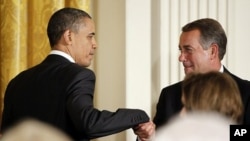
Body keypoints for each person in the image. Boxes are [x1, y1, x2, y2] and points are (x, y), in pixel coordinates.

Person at [0, 7, 155, 141]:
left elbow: (6, 135)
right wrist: (139, 116)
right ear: (69, 37)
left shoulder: (17, 82)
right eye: (90, 36)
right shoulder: (79, 75)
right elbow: (90, 123)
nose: (95, 44)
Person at [153, 18, 250, 129]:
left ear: (212, 51)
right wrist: (146, 137)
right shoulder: (169, 95)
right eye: (181, 50)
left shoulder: (246, 93)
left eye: (188, 50)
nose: (181, 58)